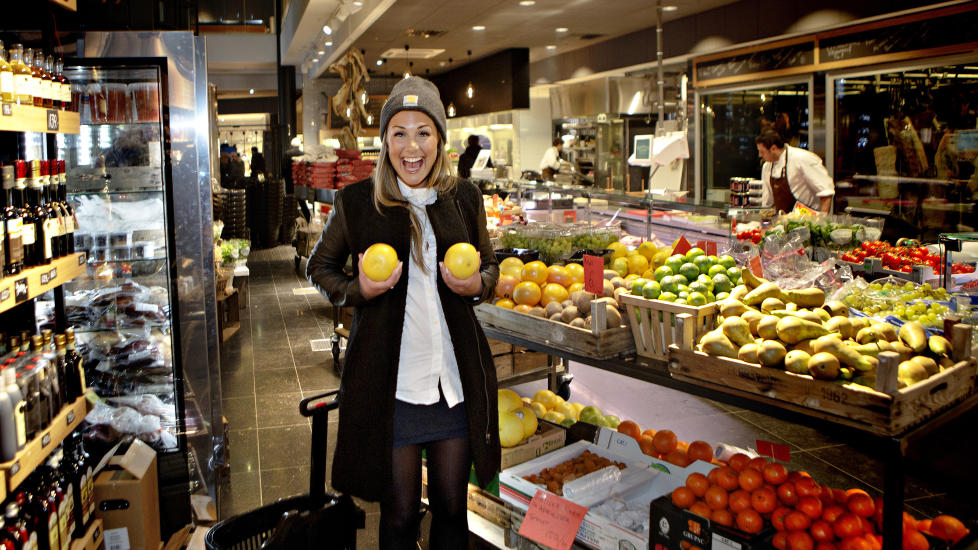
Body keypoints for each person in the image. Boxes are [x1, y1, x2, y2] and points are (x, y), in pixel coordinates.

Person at [306, 76, 500, 549]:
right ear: (385, 140)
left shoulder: (464, 198)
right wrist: (359, 290)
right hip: (391, 385)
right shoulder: (356, 203)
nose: (411, 147)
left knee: (454, 509)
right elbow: (320, 268)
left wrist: (478, 285)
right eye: (399, 132)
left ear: (439, 139)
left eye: (423, 132)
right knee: (397, 517)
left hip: (453, 383)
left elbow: (489, 265)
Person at [756, 129, 835, 213]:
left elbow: (826, 192)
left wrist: (822, 220)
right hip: (782, 220)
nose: (760, 155)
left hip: (808, 220)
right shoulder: (767, 167)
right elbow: (767, 201)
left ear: (774, 148)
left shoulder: (802, 158)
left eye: (762, 152)